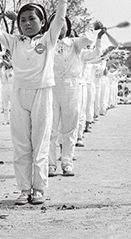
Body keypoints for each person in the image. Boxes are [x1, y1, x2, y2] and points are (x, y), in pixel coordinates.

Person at [0, 0, 73, 206]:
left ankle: (39, 189)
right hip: (19, 94)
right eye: (23, 20)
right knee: (21, 144)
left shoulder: (48, 39)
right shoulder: (14, 41)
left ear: (42, 22)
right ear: (18, 24)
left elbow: (59, 20)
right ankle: (23, 189)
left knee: (39, 143)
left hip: (42, 93)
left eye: (32, 19)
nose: (27, 23)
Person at [49, 17, 105, 177]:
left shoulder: (74, 43)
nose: (59, 28)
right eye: (56, 24)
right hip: (51, 86)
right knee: (50, 128)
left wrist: (95, 31)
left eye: (62, 25)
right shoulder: (47, 43)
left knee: (69, 127)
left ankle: (66, 162)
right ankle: (50, 164)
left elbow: (89, 42)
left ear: (67, 27)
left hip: (71, 87)